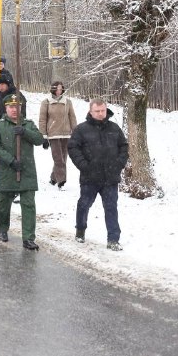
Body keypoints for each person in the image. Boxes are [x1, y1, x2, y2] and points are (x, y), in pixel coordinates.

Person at [68, 99, 128, 251]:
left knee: (111, 207)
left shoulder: (114, 128)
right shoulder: (81, 129)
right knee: (84, 204)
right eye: (97, 111)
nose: (101, 114)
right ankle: (80, 230)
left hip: (110, 177)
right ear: (91, 111)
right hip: (90, 177)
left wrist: (119, 164)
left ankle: (113, 239)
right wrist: (84, 166)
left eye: (103, 110)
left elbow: (124, 147)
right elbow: (73, 148)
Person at [0, 94, 45, 249]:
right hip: (8, 171)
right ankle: (3, 229)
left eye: (17, 107)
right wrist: (11, 161)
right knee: (3, 204)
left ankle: (28, 238)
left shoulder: (28, 124)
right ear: (6, 108)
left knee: (28, 205)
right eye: (11, 107)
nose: (14, 110)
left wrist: (24, 133)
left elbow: (39, 139)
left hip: (26, 171)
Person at [39, 81, 77, 188]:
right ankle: (62, 180)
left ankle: (53, 178)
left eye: (61, 89)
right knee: (58, 158)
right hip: (53, 134)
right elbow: (42, 120)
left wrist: (75, 132)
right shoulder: (46, 102)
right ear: (53, 89)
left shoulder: (68, 102)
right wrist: (43, 136)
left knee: (63, 158)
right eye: (57, 89)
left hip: (66, 134)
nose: (59, 91)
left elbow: (72, 118)